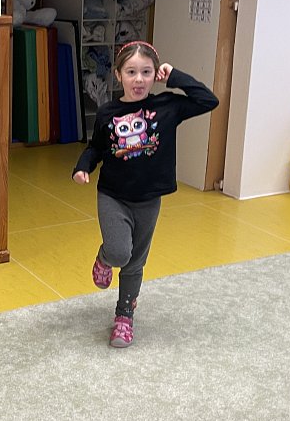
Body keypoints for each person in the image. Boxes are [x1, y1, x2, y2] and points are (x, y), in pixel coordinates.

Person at [73, 41, 218, 348]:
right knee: (119, 252)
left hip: (149, 199)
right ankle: (104, 258)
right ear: (118, 75)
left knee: (135, 261)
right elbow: (95, 147)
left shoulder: (167, 106)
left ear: (155, 75)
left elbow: (209, 100)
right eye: (131, 72)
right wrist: (83, 166)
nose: (138, 79)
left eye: (146, 72)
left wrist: (175, 76)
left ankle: (124, 316)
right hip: (113, 195)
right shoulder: (107, 112)